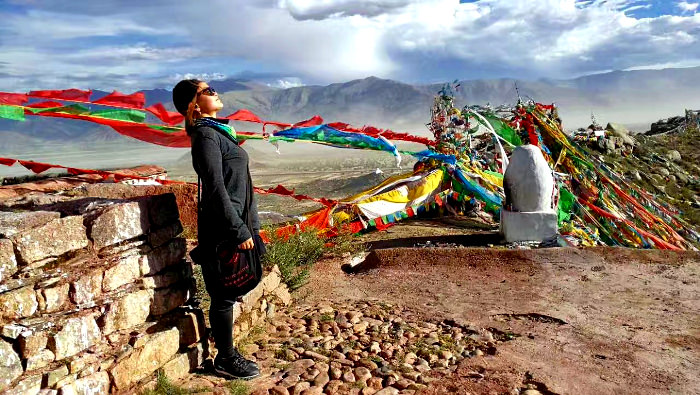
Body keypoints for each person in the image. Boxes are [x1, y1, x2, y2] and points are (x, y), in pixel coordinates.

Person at [172, 79, 262, 380]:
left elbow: (242, 186)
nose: (215, 93)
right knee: (222, 295)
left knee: (231, 289)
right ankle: (225, 358)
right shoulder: (207, 137)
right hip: (225, 226)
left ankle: (225, 351)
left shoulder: (220, 133)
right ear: (194, 105)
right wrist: (237, 229)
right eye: (207, 91)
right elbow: (215, 188)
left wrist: (253, 227)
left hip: (238, 222)